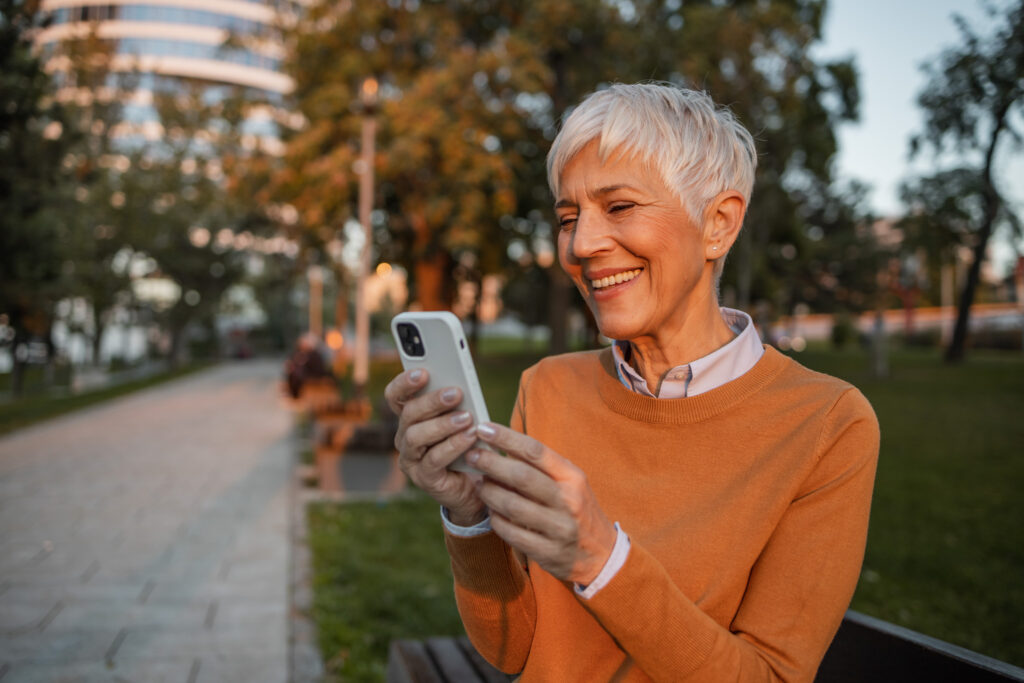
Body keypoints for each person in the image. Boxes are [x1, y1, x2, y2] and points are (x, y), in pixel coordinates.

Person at [385, 83, 879, 682]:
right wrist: (469, 517)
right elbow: (512, 652)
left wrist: (601, 558)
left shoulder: (827, 424)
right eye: (569, 217)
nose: (582, 245)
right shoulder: (546, 389)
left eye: (619, 207)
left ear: (718, 223)